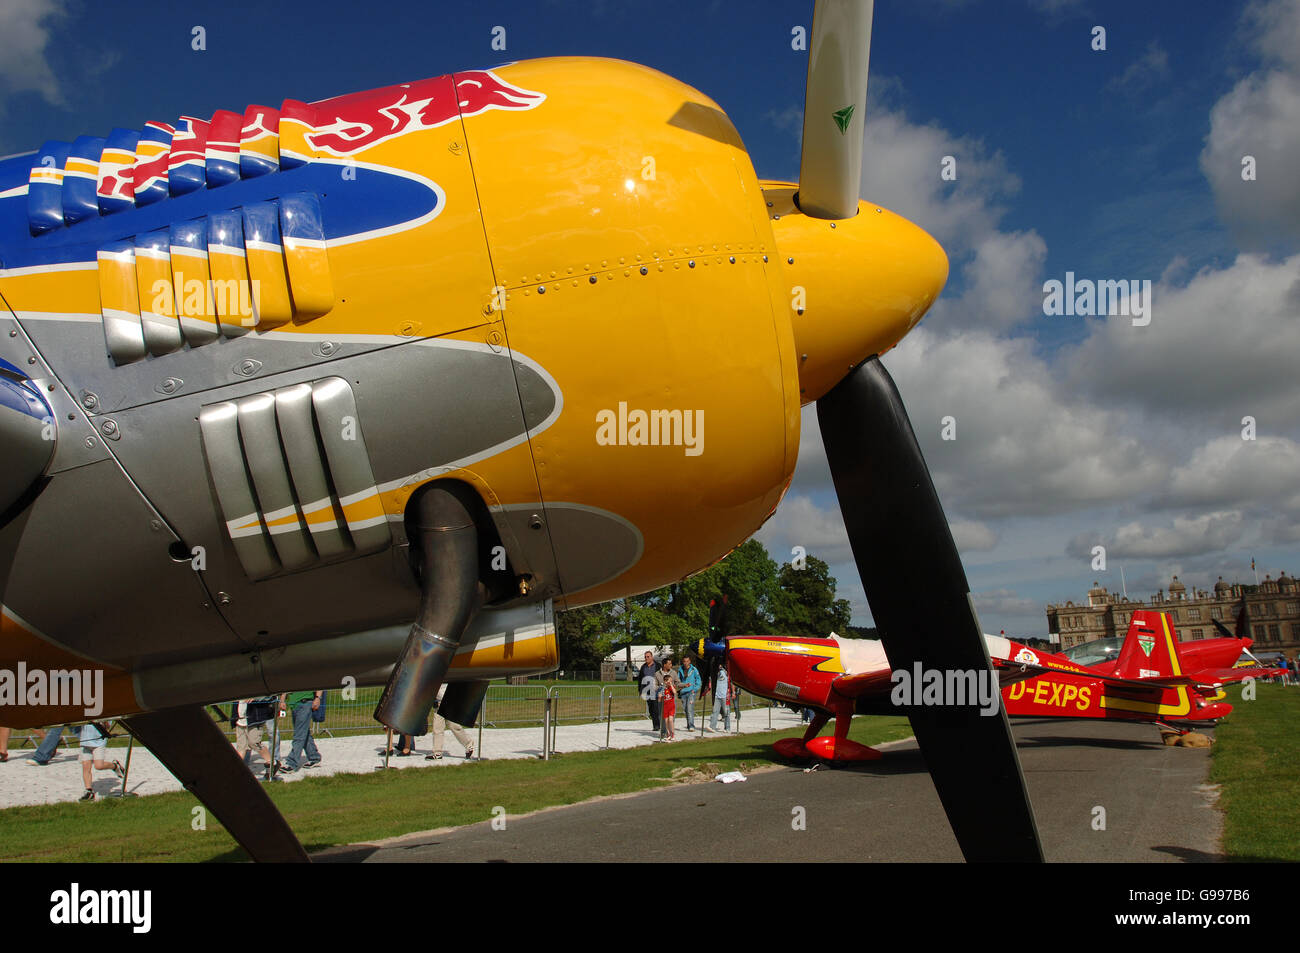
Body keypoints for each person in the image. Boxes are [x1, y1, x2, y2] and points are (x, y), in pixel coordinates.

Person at [278, 689, 322, 772]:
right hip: (294, 704)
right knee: (304, 732)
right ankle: (314, 757)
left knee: (299, 734)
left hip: (305, 703)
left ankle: (292, 763)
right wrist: (282, 700)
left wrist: (318, 698)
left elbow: (319, 683)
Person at [426, 684, 473, 760]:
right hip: (439, 702)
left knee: (453, 726)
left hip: (448, 701)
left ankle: (469, 744)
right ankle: (437, 753)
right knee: (437, 728)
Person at [78, 722, 123, 801]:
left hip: (99, 742)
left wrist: (101, 721)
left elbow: (108, 726)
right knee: (86, 766)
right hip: (85, 742)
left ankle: (115, 766)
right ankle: (89, 791)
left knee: (99, 766)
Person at [231, 698, 273, 772]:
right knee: (241, 747)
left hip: (254, 719)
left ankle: (272, 763)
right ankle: (237, 770)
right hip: (240, 719)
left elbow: (268, 696)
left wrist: (255, 698)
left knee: (254, 743)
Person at [676, 655, 702, 731]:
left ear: (689, 661)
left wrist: (695, 689)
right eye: (684, 661)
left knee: (690, 708)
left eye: (687, 661)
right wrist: (680, 688)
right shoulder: (680, 670)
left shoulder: (694, 669)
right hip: (683, 692)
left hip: (691, 691)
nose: (686, 663)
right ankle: (688, 724)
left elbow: (698, 680)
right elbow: (678, 681)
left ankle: (691, 725)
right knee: (685, 709)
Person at [637, 650, 660, 732]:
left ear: (652, 657)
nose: (646, 658)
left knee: (656, 707)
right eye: (645, 657)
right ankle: (655, 724)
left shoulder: (658, 666)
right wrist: (640, 690)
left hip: (656, 689)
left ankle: (657, 725)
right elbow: (640, 680)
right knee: (651, 708)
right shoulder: (643, 667)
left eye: (648, 657)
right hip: (647, 690)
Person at [658, 658, 679, 741]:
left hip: (671, 706)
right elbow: (660, 699)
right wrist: (659, 697)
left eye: (669, 681)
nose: (668, 682)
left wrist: (671, 685)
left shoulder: (671, 687)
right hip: (665, 707)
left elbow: (674, 692)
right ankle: (668, 734)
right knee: (666, 721)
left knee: (671, 720)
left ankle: (672, 733)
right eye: (667, 681)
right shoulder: (663, 688)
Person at [709, 663, 732, 733]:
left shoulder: (726, 672)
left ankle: (727, 727)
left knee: (726, 712)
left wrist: (733, 692)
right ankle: (712, 727)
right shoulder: (717, 673)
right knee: (715, 711)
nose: (719, 666)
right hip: (717, 695)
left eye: (720, 665)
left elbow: (731, 682)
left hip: (725, 695)